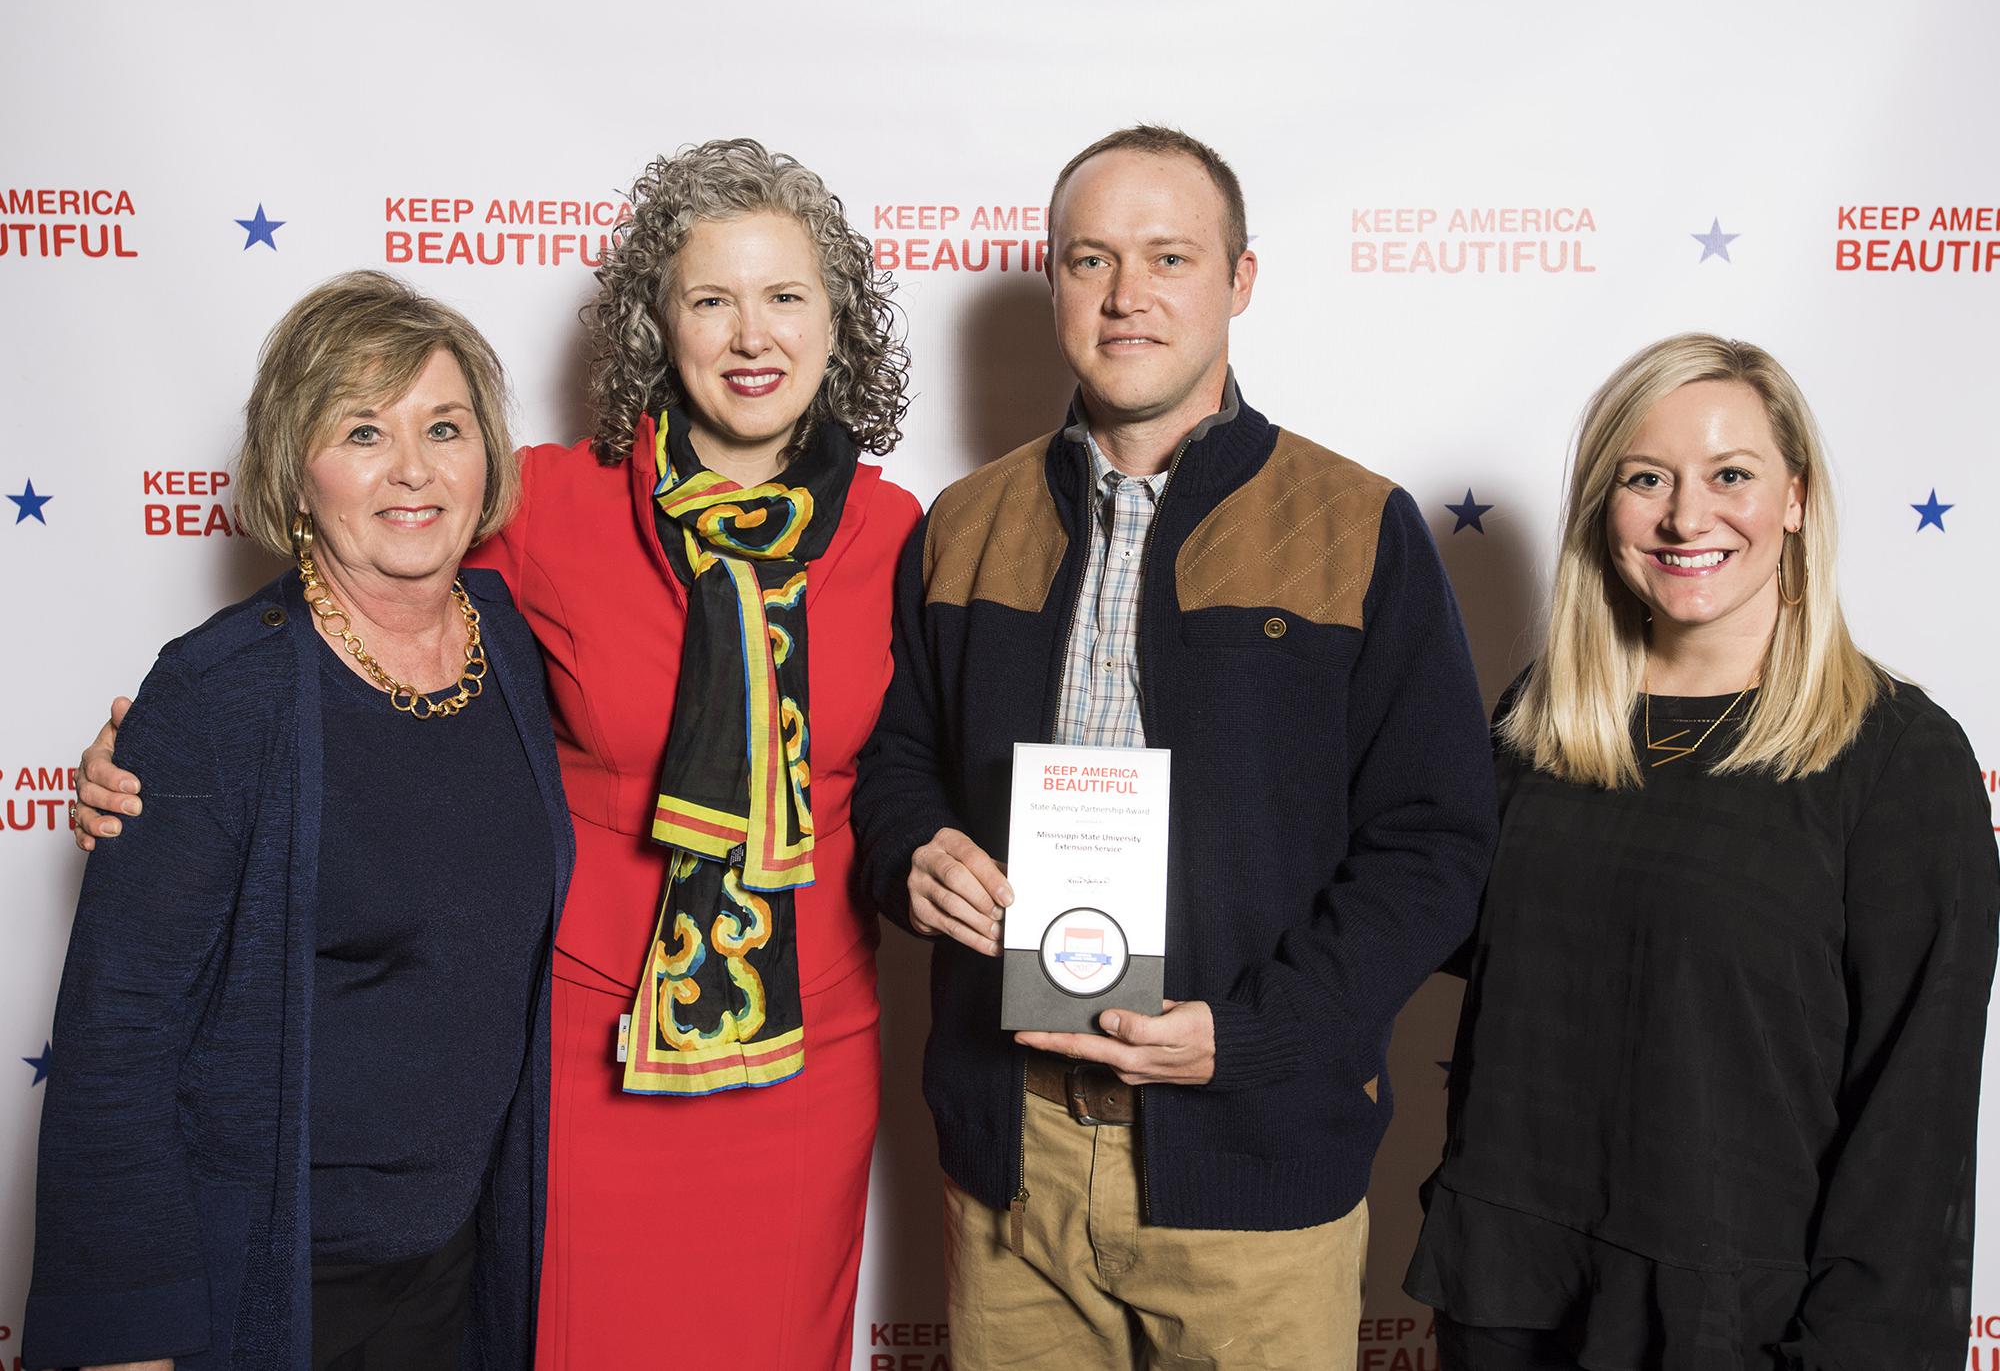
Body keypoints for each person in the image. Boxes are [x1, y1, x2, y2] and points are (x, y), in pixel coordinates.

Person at [72, 140, 920, 1369]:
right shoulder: (547, 503)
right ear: (654, 322)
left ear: (837, 325)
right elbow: (360, 606)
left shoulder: (900, 535)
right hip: (586, 1049)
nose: (751, 334)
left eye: (786, 297)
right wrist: (164, 752)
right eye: (710, 298)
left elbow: (916, 767)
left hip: (809, 1050)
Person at [851, 125, 1498, 1371]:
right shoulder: (961, 525)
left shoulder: (1357, 527)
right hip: (1012, 1167)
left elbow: (1432, 847)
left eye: (1167, 257)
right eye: (1088, 260)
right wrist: (910, 852)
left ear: (1238, 282)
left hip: (1249, 1163)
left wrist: (1248, 1038)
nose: (1125, 295)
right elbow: (894, 766)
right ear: (1051, 282)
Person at [1404, 334, 2000, 1370]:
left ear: (1796, 499)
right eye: (1646, 479)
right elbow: (1408, 912)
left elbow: (1913, 1120)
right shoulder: (1538, 722)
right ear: (1604, 503)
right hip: (1505, 1300)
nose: (1687, 517)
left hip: (1735, 1327)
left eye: (1730, 475)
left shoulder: (1896, 757)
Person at [27, 271, 572, 1371]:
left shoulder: (511, 644)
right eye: (364, 430)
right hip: (268, 1277)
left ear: (488, 459)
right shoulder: (218, 693)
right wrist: (134, 1340)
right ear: (295, 467)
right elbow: (118, 1035)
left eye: (445, 427)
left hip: (459, 1269)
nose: (413, 469)